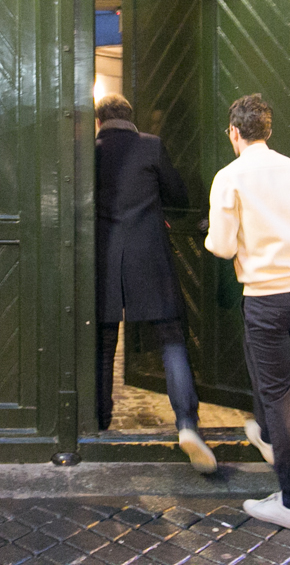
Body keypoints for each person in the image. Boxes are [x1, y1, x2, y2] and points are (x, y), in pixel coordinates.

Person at [204, 94, 290, 530]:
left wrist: (213, 235)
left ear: (234, 133)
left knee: (277, 396)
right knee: (259, 359)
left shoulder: (230, 176)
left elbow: (222, 246)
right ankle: (268, 433)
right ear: (268, 131)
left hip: (267, 298)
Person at [94, 93, 216, 473]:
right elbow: (178, 193)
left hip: (104, 259)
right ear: (131, 116)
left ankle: (100, 424)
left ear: (99, 120)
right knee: (172, 340)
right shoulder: (151, 146)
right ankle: (187, 425)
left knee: (103, 345)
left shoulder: (90, 152)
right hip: (149, 257)